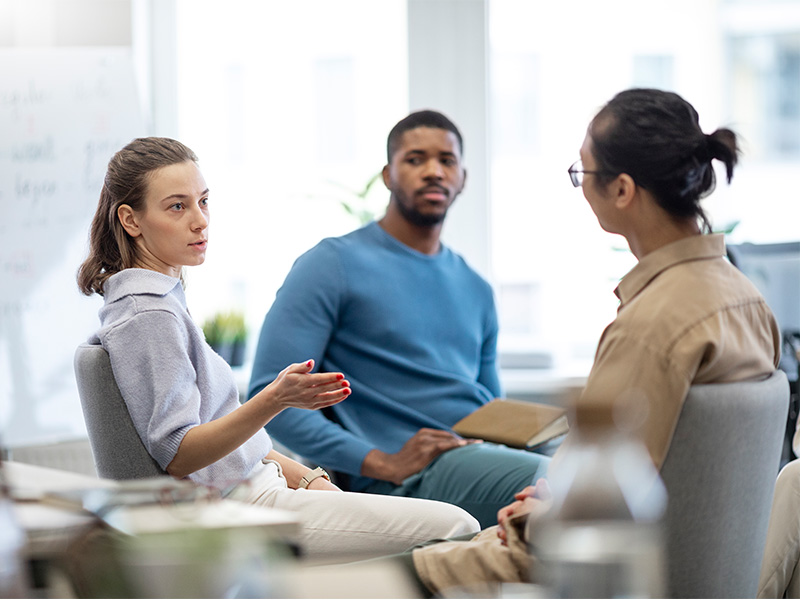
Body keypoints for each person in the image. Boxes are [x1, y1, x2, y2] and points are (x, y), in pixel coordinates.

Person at [405, 88, 782, 596]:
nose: (580, 187)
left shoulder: (653, 326)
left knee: (365, 576)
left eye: (582, 173)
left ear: (623, 189)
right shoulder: (748, 302)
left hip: (566, 572)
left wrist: (534, 511)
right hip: (670, 566)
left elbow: (594, 514)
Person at [75, 137, 479, 562]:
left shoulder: (159, 302)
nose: (200, 221)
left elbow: (228, 438)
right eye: (177, 206)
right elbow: (179, 454)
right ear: (131, 220)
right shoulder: (149, 316)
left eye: (204, 201)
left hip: (261, 488)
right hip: (241, 507)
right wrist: (275, 398)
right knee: (460, 528)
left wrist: (308, 478)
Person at [248, 110, 550, 528]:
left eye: (446, 161)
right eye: (415, 159)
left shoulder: (475, 287)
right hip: (401, 477)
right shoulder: (331, 264)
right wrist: (379, 461)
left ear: (463, 177)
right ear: (388, 175)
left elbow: (490, 408)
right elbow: (270, 396)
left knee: (612, 471)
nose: (433, 171)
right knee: (567, 485)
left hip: (477, 457)